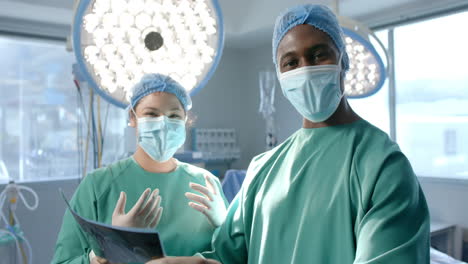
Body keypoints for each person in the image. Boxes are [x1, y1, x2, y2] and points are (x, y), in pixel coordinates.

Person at [149, 4, 430, 264]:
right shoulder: (263, 168)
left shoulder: (382, 165)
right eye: (291, 62)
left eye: (319, 55)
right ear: (281, 77)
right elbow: (227, 257)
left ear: (343, 61)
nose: (305, 69)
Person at [52, 74, 228, 264]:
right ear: (132, 118)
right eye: (151, 114)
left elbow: (234, 255)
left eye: (174, 115)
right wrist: (108, 250)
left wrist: (226, 228)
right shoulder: (97, 186)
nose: (163, 123)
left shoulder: (206, 184)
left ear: (185, 120)